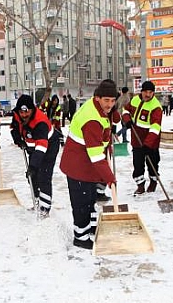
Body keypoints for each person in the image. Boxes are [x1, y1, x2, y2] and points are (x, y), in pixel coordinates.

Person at [59, 79, 119, 250]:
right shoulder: (91, 119)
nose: (110, 104)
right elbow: (95, 156)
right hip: (78, 166)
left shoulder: (96, 107)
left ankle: (91, 227)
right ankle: (81, 237)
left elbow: (104, 129)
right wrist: (109, 178)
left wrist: (107, 143)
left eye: (113, 100)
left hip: (86, 165)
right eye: (106, 100)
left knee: (91, 198)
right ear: (98, 98)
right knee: (81, 203)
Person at [10, 95, 61, 217]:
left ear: (32, 110)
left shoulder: (40, 122)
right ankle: (37, 202)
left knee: (44, 176)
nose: (24, 115)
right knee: (33, 177)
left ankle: (45, 209)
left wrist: (33, 166)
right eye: (21, 112)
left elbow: (41, 147)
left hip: (49, 147)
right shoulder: (17, 115)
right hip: (33, 146)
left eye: (27, 112)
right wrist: (18, 139)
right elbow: (14, 128)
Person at [122, 80, 163, 195]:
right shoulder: (135, 100)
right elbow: (125, 110)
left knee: (153, 163)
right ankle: (140, 185)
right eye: (146, 92)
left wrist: (148, 144)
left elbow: (155, 128)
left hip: (151, 141)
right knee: (138, 164)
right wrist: (127, 120)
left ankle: (153, 182)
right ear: (142, 91)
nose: (148, 94)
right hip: (136, 138)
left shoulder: (156, 107)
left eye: (150, 92)